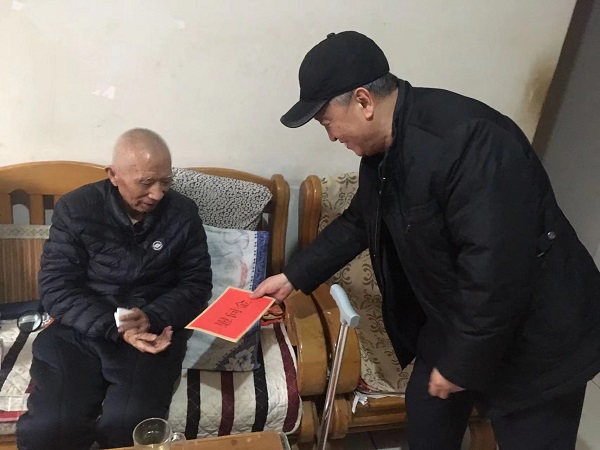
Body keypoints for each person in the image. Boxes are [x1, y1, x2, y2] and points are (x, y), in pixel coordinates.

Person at [253, 31, 600, 449]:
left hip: (539, 338)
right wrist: (292, 276)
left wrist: (460, 364)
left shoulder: (469, 142)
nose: (331, 136)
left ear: (363, 102)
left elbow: (494, 270)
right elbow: (360, 221)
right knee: (428, 413)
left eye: (327, 122)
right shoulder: (381, 149)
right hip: (459, 318)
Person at [16, 128, 212, 449]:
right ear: (114, 175)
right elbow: (56, 288)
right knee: (52, 426)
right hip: (82, 328)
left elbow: (197, 283)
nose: (157, 193)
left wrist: (151, 317)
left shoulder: (182, 212)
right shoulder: (77, 208)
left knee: (129, 426)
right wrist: (116, 326)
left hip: (150, 333)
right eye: (146, 183)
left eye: (165, 181)